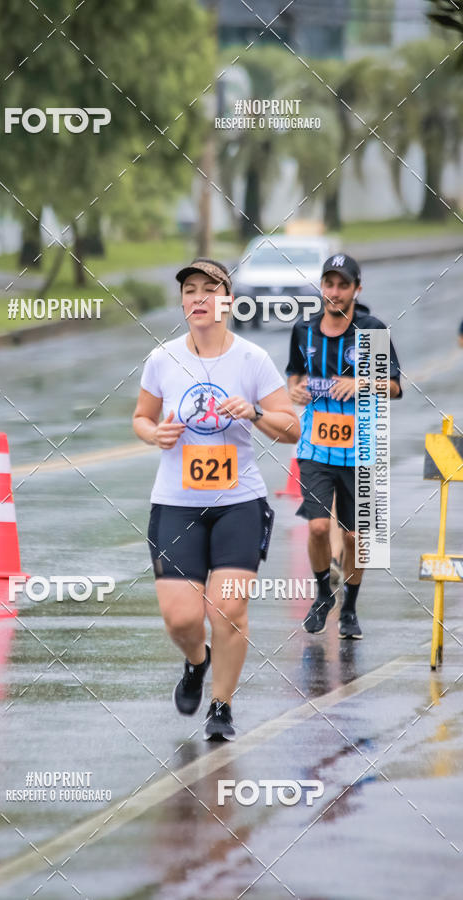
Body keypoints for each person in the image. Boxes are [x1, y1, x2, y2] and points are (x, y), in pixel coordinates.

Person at [133, 258, 300, 740]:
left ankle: (222, 706)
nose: (199, 298)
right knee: (182, 616)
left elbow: (289, 427)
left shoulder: (251, 360)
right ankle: (196, 660)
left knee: (227, 609)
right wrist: (155, 433)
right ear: (183, 301)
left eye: (210, 289)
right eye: (190, 290)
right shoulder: (163, 359)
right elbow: (141, 417)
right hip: (176, 503)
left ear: (227, 299)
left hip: (239, 504)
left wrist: (254, 412)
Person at [286, 254, 402, 639]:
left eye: (343, 285)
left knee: (354, 537)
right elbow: (294, 374)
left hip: (362, 447)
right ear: (322, 287)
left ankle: (350, 608)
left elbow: (395, 387)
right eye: (329, 284)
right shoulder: (304, 331)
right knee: (319, 527)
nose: (334, 292)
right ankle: (323, 594)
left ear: (356, 289)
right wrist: (295, 390)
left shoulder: (371, 331)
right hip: (315, 448)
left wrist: (360, 383)